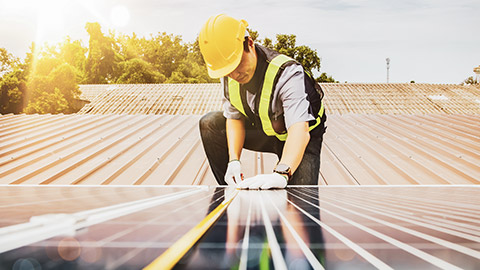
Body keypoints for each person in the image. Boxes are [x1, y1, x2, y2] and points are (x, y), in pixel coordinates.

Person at [198, 14, 326, 189]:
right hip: (265, 131)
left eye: (237, 64)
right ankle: (233, 188)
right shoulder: (227, 74)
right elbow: (234, 118)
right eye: (228, 70)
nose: (234, 75)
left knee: (301, 207)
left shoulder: (287, 73)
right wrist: (233, 160)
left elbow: (299, 130)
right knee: (210, 123)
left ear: (249, 43)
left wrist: (282, 172)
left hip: (300, 138)